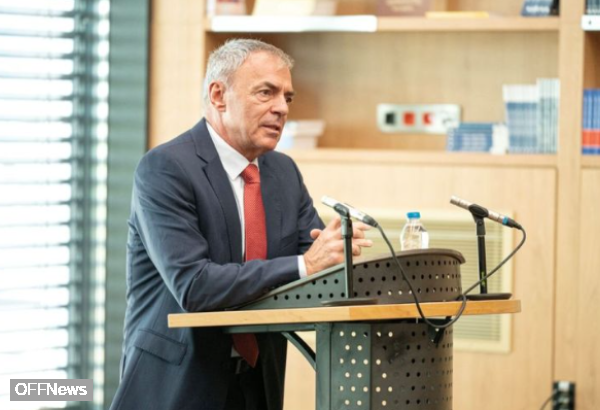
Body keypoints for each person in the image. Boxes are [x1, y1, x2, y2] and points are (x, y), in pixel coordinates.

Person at [110, 39, 372, 410]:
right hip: (177, 385)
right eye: (266, 93)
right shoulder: (166, 168)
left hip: (256, 384)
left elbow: (315, 268)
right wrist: (307, 264)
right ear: (219, 95)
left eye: (287, 97)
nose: (282, 108)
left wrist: (338, 257)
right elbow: (195, 286)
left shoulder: (283, 172)